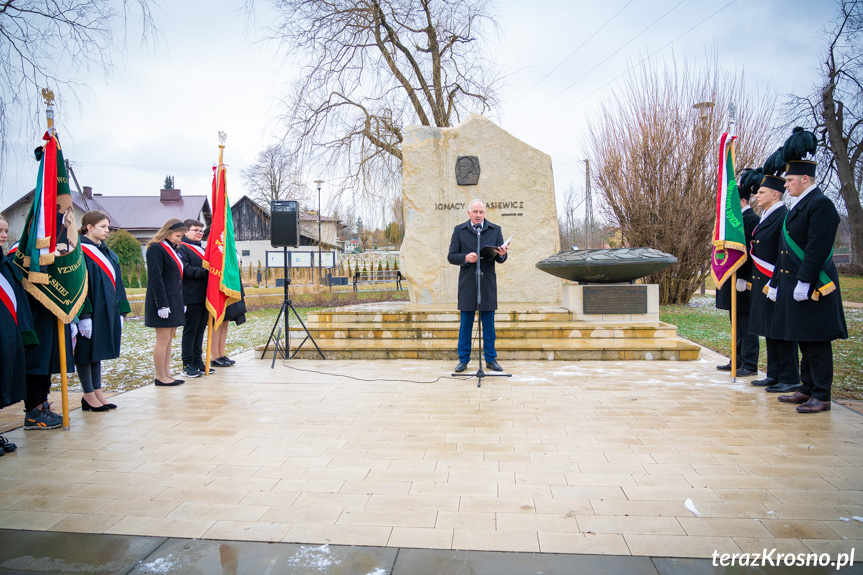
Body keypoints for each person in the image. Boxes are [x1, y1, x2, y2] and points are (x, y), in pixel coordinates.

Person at [769, 128, 848, 414]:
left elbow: (817, 247)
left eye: (790, 180)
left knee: (816, 342)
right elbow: (785, 250)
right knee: (804, 338)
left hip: (814, 286)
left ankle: (821, 395)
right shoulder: (799, 205)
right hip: (796, 284)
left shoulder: (821, 205)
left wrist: (805, 281)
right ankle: (806, 388)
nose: (786, 185)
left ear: (805, 178)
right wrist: (778, 282)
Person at [748, 151, 800, 394]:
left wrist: (776, 281)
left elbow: (782, 252)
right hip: (764, 281)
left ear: (775, 195)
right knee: (769, 329)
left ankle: (788, 377)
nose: (756, 196)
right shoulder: (767, 215)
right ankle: (774, 374)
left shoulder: (782, 216)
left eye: (761, 192)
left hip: (775, 279)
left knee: (781, 330)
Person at [74, 211, 130, 411]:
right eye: (102, 227)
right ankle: (88, 394)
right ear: (89, 227)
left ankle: (97, 392)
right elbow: (79, 286)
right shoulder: (79, 250)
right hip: (90, 309)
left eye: (107, 227)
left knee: (97, 351)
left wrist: (122, 311)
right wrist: (84, 316)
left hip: (106, 308)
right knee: (85, 351)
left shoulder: (105, 251)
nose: (107, 231)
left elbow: (118, 283)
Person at [447, 199, 508, 373]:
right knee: (466, 324)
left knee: (488, 324)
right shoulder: (459, 230)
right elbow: (451, 256)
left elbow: (500, 258)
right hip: (467, 284)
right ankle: (463, 360)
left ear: (485, 213)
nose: (478, 215)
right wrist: (465, 258)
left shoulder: (495, 230)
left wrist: (503, 254)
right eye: (475, 212)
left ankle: (490, 359)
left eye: (481, 212)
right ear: (469, 213)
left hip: (487, 283)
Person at [715, 169, 760, 377]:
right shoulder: (736, 221)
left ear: (742, 201)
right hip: (734, 279)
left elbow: (752, 251)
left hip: (745, 281)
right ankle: (737, 358)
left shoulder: (751, 220)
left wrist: (744, 276)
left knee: (746, 324)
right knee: (737, 323)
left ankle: (749, 362)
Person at [1, 216, 37, 450]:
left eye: (5, 230)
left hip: (8, 332)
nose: (4, 235)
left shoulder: (5, 263)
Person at [144, 219, 186, 386]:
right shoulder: (156, 248)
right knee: (162, 340)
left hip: (173, 300)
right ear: (167, 233)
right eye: (177, 236)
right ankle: (160, 376)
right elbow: (156, 278)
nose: (179, 240)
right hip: (162, 301)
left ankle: (167, 374)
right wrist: (162, 303)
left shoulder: (172, 249)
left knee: (169, 339)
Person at [177, 219, 213, 378]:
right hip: (191, 296)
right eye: (195, 230)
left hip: (205, 295)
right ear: (186, 232)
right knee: (190, 330)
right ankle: (188, 363)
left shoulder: (202, 248)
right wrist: (206, 272)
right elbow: (184, 269)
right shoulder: (182, 248)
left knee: (200, 330)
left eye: (201, 230)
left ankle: (197, 360)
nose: (199, 233)